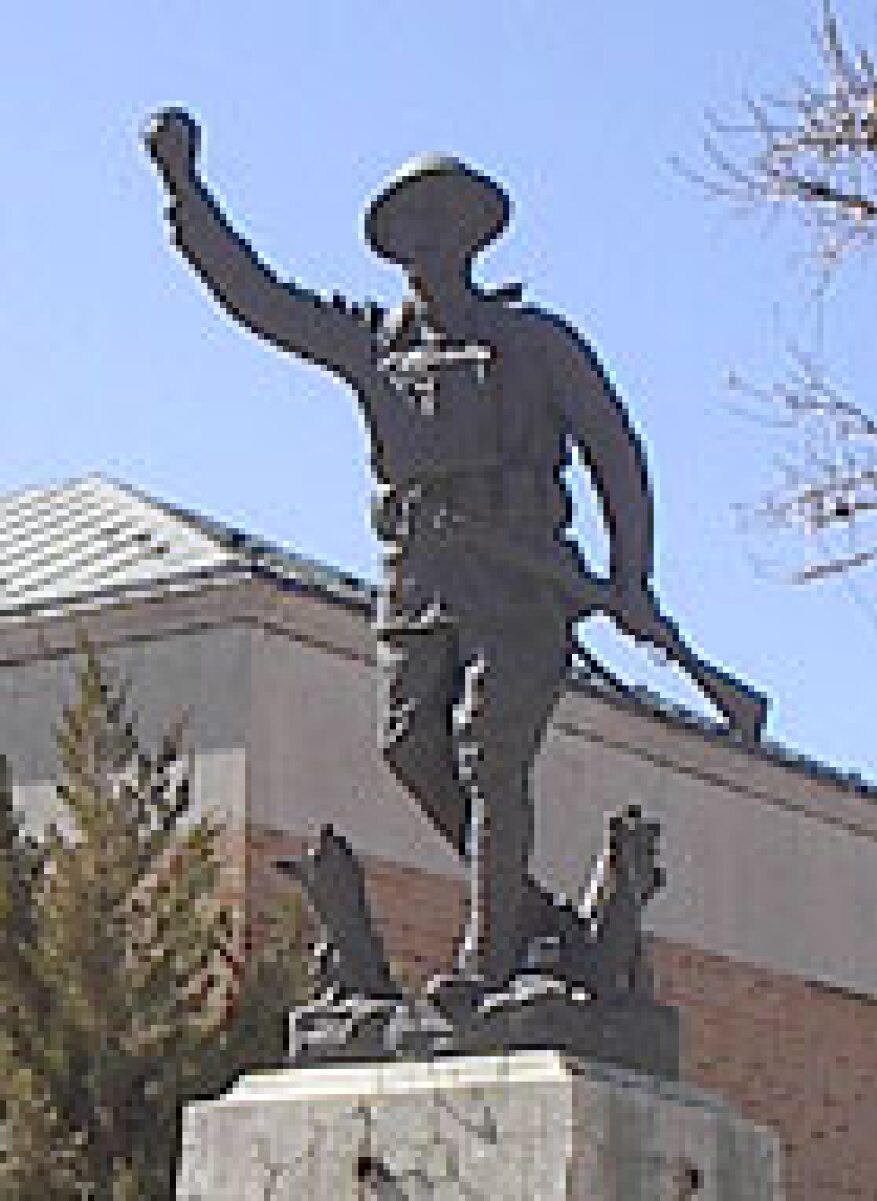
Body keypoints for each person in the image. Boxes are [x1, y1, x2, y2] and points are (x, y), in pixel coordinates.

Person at [146, 111, 767, 988]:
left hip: (521, 580)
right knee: (409, 749)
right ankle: (534, 916)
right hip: (417, 579)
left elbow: (615, 453)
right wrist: (185, 191)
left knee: (490, 751)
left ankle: (492, 952)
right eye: (411, 223)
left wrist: (631, 573)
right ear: (392, 244)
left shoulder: (539, 343)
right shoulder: (373, 342)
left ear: (477, 232)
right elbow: (259, 297)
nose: (427, 236)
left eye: (443, 218)